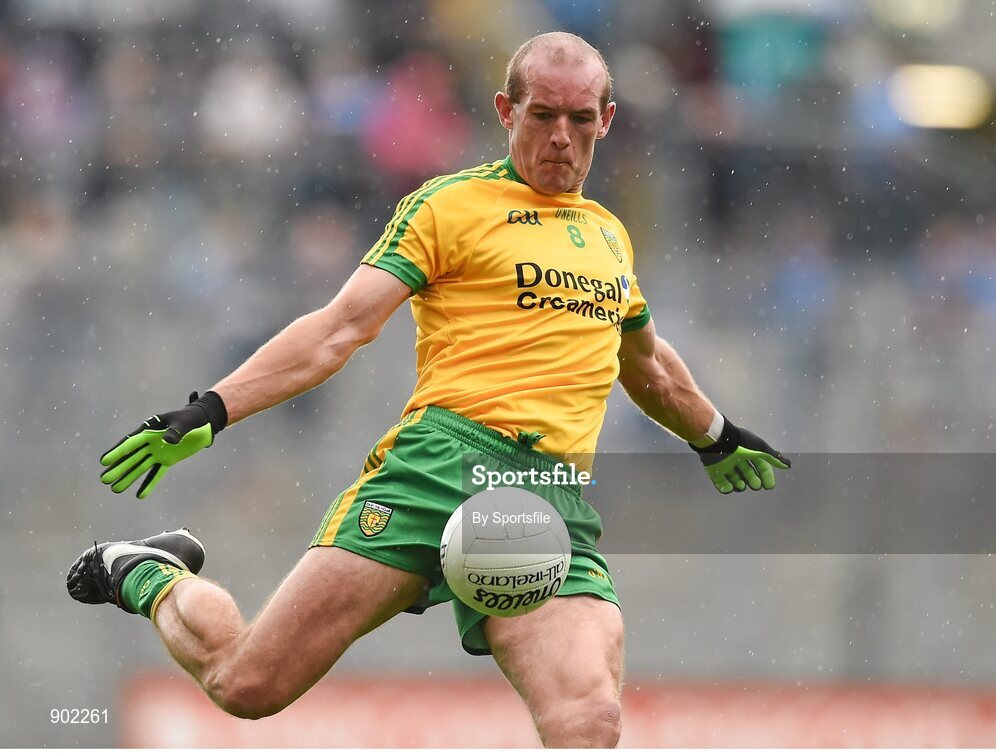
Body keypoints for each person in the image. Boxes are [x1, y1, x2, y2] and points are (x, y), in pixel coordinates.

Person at [67, 32, 790, 747]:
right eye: (543, 116)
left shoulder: (609, 237)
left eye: (579, 119)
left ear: (607, 121)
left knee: (589, 721)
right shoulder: (449, 205)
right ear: (508, 111)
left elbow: (650, 366)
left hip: (550, 501)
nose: (561, 137)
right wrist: (213, 408)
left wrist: (716, 434)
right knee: (248, 684)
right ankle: (148, 572)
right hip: (440, 467)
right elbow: (339, 328)